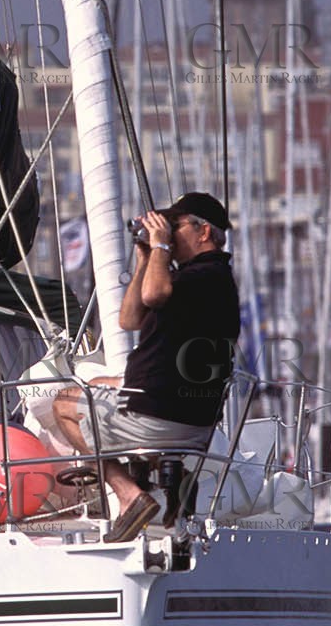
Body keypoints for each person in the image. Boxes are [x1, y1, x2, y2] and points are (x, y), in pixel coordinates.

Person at [47, 192, 240, 541]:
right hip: (192, 420)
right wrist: (145, 259)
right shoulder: (204, 279)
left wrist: (161, 248)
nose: (163, 230)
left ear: (204, 232)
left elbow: (152, 298)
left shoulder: (204, 276)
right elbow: (129, 318)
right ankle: (170, 477)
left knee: (63, 404)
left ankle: (129, 493)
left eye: (174, 225)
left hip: (161, 418)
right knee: (98, 383)